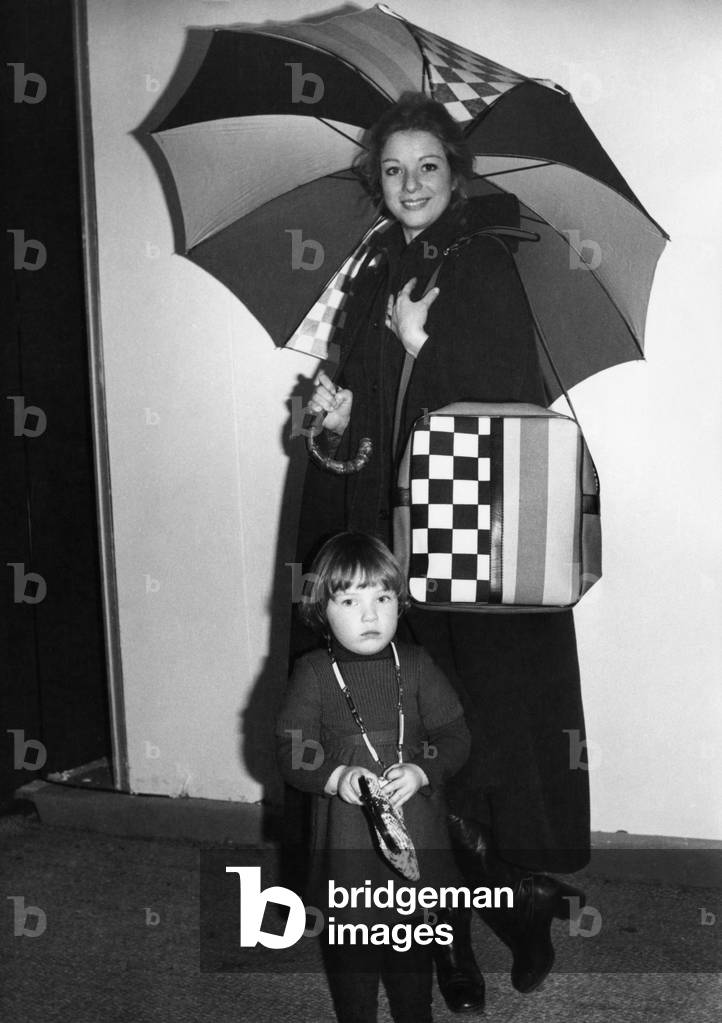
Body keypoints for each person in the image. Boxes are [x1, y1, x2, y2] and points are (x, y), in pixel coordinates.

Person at [292, 91, 590, 1010]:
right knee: (401, 740)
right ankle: (446, 941)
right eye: (393, 168)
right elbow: (356, 427)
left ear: (454, 175)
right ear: (374, 180)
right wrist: (329, 417)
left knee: (483, 739)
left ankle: (526, 900)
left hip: (471, 551)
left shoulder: (485, 262)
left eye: (428, 166)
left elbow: (504, 405)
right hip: (392, 552)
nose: (410, 183)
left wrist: (427, 351)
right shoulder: (375, 263)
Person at [276, 532, 472, 1023]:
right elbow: (290, 751)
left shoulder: (419, 665)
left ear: (399, 602)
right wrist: (337, 775)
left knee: (412, 949)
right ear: (322, 609)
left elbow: (457, 738)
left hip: (417, 840)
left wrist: (423, 770)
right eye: (350, 600)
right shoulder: (314, 673)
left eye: (382, 598)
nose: (370, 615)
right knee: (353, 954)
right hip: (349, 846)